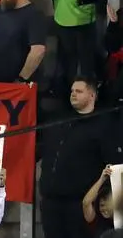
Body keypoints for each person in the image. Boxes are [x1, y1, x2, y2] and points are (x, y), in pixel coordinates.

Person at [39, 80, 123, 237]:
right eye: (72, 90)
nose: (73, 93)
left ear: (92, 95)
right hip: (50, 202)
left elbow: (113, 164)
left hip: (79, 204)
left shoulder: (103, 126)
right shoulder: (59, 120)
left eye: (79, 91)